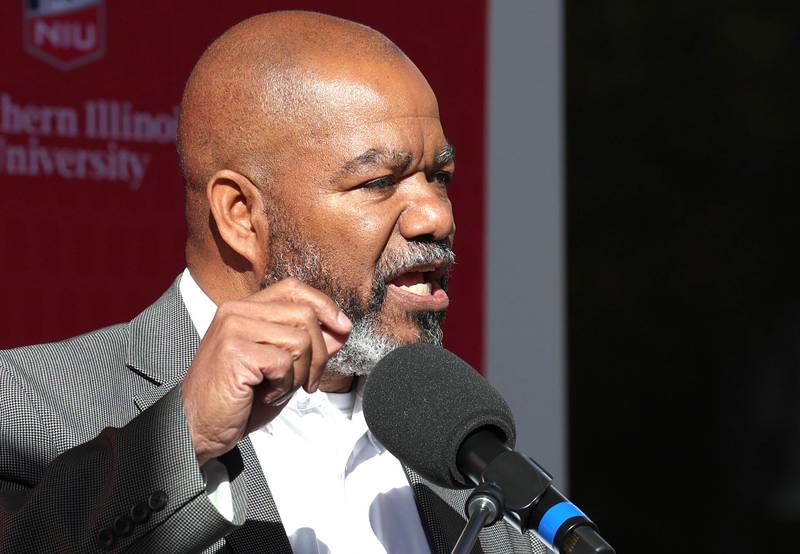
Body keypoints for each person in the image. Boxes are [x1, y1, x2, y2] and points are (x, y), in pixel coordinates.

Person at [0, 11, 547, 554]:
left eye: (440, 177)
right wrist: (184, 435)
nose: (436, 215)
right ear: (240, 214)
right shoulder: (31, 407)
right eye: (379, 181)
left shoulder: (468, 454)